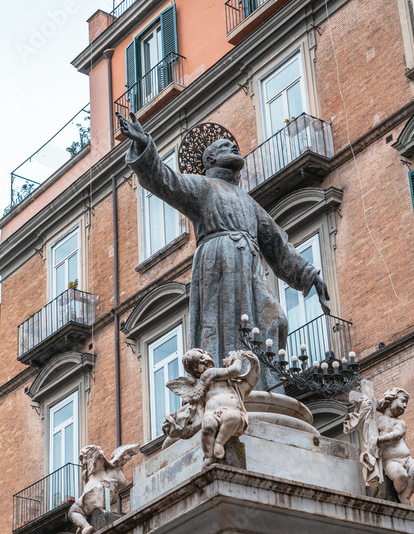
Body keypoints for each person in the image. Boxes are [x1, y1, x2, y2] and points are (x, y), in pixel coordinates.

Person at [117, 112, 331, 391]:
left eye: (234, 146)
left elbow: (277, 245)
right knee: (222, 325)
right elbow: (165, 181)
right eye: (224, 147)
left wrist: (308, 275)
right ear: (210, 161)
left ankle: (266, 385)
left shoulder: (249, 202)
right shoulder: (203, 186)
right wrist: (144, 144)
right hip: (219, 262)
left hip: (250, 266)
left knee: (275, 318)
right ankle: (224, 382)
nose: (234, 147)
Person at [164, 348, 260, 466]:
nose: (204, 360)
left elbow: (250, 383)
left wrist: (255, 364)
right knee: (207, 426)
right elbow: (235, 371)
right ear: (195, 370)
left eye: (203, 356)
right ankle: (208, 456)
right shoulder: (209, 374)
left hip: (231, 411)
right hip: (212, 412)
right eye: (199, 361)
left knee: (232, 417)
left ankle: (219, 442)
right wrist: (239, 359)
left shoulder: (232, 384)